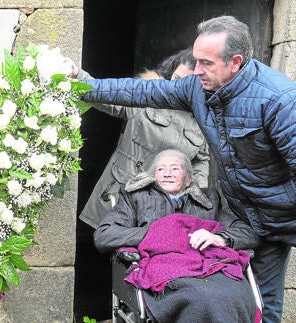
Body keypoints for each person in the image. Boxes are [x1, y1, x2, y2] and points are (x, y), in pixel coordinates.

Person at [79, 15, 296, 322]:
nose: (196, 71)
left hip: (275, 220)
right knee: (225, 295)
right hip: (236, 215)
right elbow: (140, 93)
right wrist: (79, 84)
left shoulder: (279, 101)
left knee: (263, 305)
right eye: (196, 61)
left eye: (206, 63)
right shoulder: (197, 88)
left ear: (235, 62)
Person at [94, 149, 261, 322]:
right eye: (160, 169)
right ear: (153, 177)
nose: (167, 174)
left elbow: (249, 233)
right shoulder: (137, 197)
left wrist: (219, 238)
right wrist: (162, 233)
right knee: (201, 298)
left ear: (188, 179)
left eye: (175, 169)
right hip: (167, 272)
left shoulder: (208, 200)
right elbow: (104, 235)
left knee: (235, 294)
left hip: (211, 269)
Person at [79, 48, 210, 229]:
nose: (178, 87)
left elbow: (200, 160)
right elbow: (109, 96)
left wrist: (197, 198)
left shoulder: (203, 116)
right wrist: (78, 77)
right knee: (105, 245)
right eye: (176, 79)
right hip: (118, 193)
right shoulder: (149, 93)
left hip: (163, 207)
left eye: (186, 83)